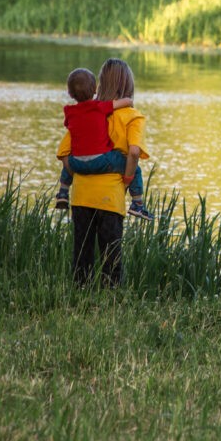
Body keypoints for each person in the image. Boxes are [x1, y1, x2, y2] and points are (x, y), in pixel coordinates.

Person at [56, 58, 154, 287]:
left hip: (81, 196)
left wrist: (80, 173)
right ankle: (111, 303)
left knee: (82, 254)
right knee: (111, 257)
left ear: (100, 85)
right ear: (128, 85)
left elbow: (66, 157)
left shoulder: (86, 115)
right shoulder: (133, 116)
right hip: (110, 197)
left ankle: (80, 298)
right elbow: (133, 152)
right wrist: (128, 178)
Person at [54, 67, 138, 210]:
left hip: (77, 164)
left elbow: (67, 133)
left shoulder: (69, 111)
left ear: (69, 93)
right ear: (95, 90)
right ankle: (138, 202)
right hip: (101, 161)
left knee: (70, 158)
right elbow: (121, 103)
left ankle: (63, 191)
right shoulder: (99, 107)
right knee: (130, 163)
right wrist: (129, 101)